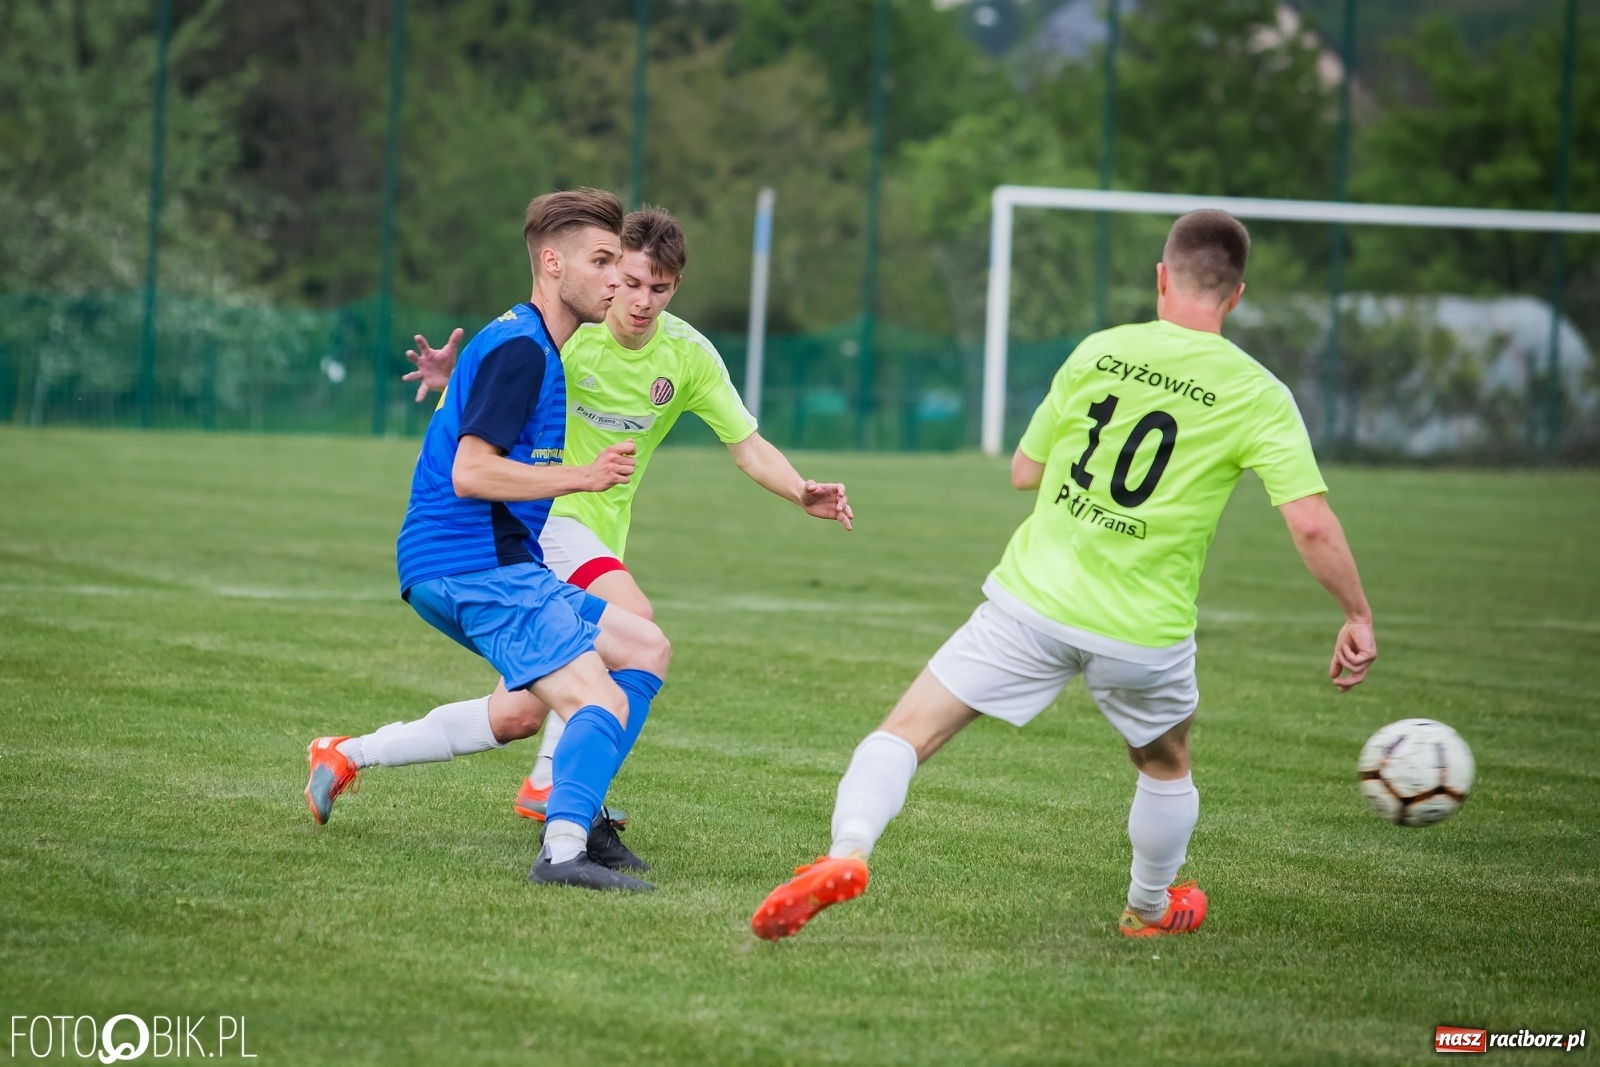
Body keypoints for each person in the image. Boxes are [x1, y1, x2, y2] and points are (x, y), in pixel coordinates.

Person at [750, 209, 1378, 940]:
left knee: (905, 732)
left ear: (1162, 278)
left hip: (1032, 600)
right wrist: (1357, 614)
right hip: (1143, 631)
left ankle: (846, 849)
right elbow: (1308, 522)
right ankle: (1148, 907)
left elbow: (1025, 471)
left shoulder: (1101, 350)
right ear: (1235, 295)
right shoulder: (1259, 392)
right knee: (1165, 760)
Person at [402, 206, 853, 828]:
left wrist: (800, 490)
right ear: (613, 272)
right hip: (544, 516)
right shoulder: (574, 324)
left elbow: (747, 445)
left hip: (599, 534)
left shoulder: (688, 356)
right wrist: (459, 374)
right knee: (636, 624)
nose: (640, 300)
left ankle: (349, 754)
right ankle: (556, 791)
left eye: (658, 288)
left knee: (518, 715)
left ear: (675, 287)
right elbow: (505, 373)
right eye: (631, 280)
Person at [304, 187, 667, 892]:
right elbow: (471, 472)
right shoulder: (524, 350)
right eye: (601, 262)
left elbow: (476, 426)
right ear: (552, 264)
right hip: (474, 563)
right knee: (598, 702)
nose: (616, 280)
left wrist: (451, 382)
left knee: (622, 658)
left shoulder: (520, 339)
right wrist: (583, 476)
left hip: (476, 560)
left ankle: (344, 754)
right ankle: (564, 850)